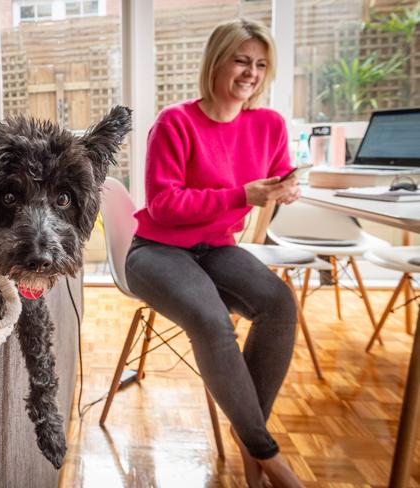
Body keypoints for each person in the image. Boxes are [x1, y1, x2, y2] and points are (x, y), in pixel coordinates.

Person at [124, 19, 304, 488]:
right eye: (242, 60)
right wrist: (242, 195)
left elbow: (278, 175)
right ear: (217, 62)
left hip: (216, 247)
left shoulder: (269, 124)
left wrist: (287, 187)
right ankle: (267, 453)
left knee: (279, 304)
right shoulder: (176, 122)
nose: (252, 72)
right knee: (210, 319)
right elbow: (163, 203)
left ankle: (249, 438)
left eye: (261, 64)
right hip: (156, 249)